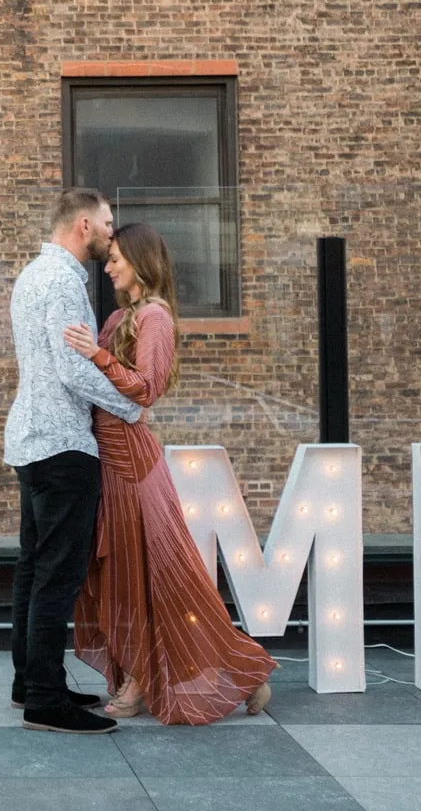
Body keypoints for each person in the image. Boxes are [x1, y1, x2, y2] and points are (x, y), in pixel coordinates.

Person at [63, 222, 276, 724]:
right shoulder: (119, 316)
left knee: (161, 580)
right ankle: (211, 672)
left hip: (135, 469)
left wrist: (94, 354)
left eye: (116, 258)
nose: (108, 265)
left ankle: (222, 672)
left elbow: (147, 388)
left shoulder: (155, 318)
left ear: (141, 262)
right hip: (111, 464)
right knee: (124, 579)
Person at [4, 188, 145, 735]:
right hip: (63, 444)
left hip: (32, 440)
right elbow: (72, 368)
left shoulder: (32, 274)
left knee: (33, 571)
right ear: (83, 224)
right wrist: (129, 405)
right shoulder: (63, 280)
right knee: (56, 577)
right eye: (108, 223)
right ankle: (44, 698)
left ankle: (31, 682)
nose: (114, 232)